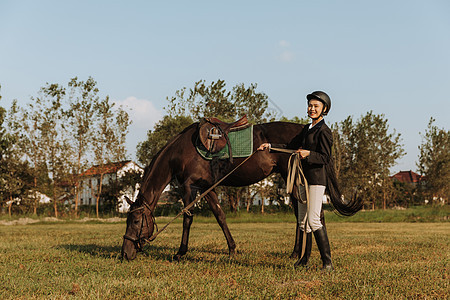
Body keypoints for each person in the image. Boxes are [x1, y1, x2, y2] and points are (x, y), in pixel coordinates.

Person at [257, 91, 334, 271]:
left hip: (315, 180)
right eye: (310, 105)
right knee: (302, 221)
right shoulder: (307, 129)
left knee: (314, 221)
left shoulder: (324, 131)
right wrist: (270, 146)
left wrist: (309, 154)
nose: (312, 109)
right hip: (302, 179)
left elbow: (325, 158)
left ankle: (328, 263)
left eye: (316, 106)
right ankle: (303, 260)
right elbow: (290, 146)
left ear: (324, 109)